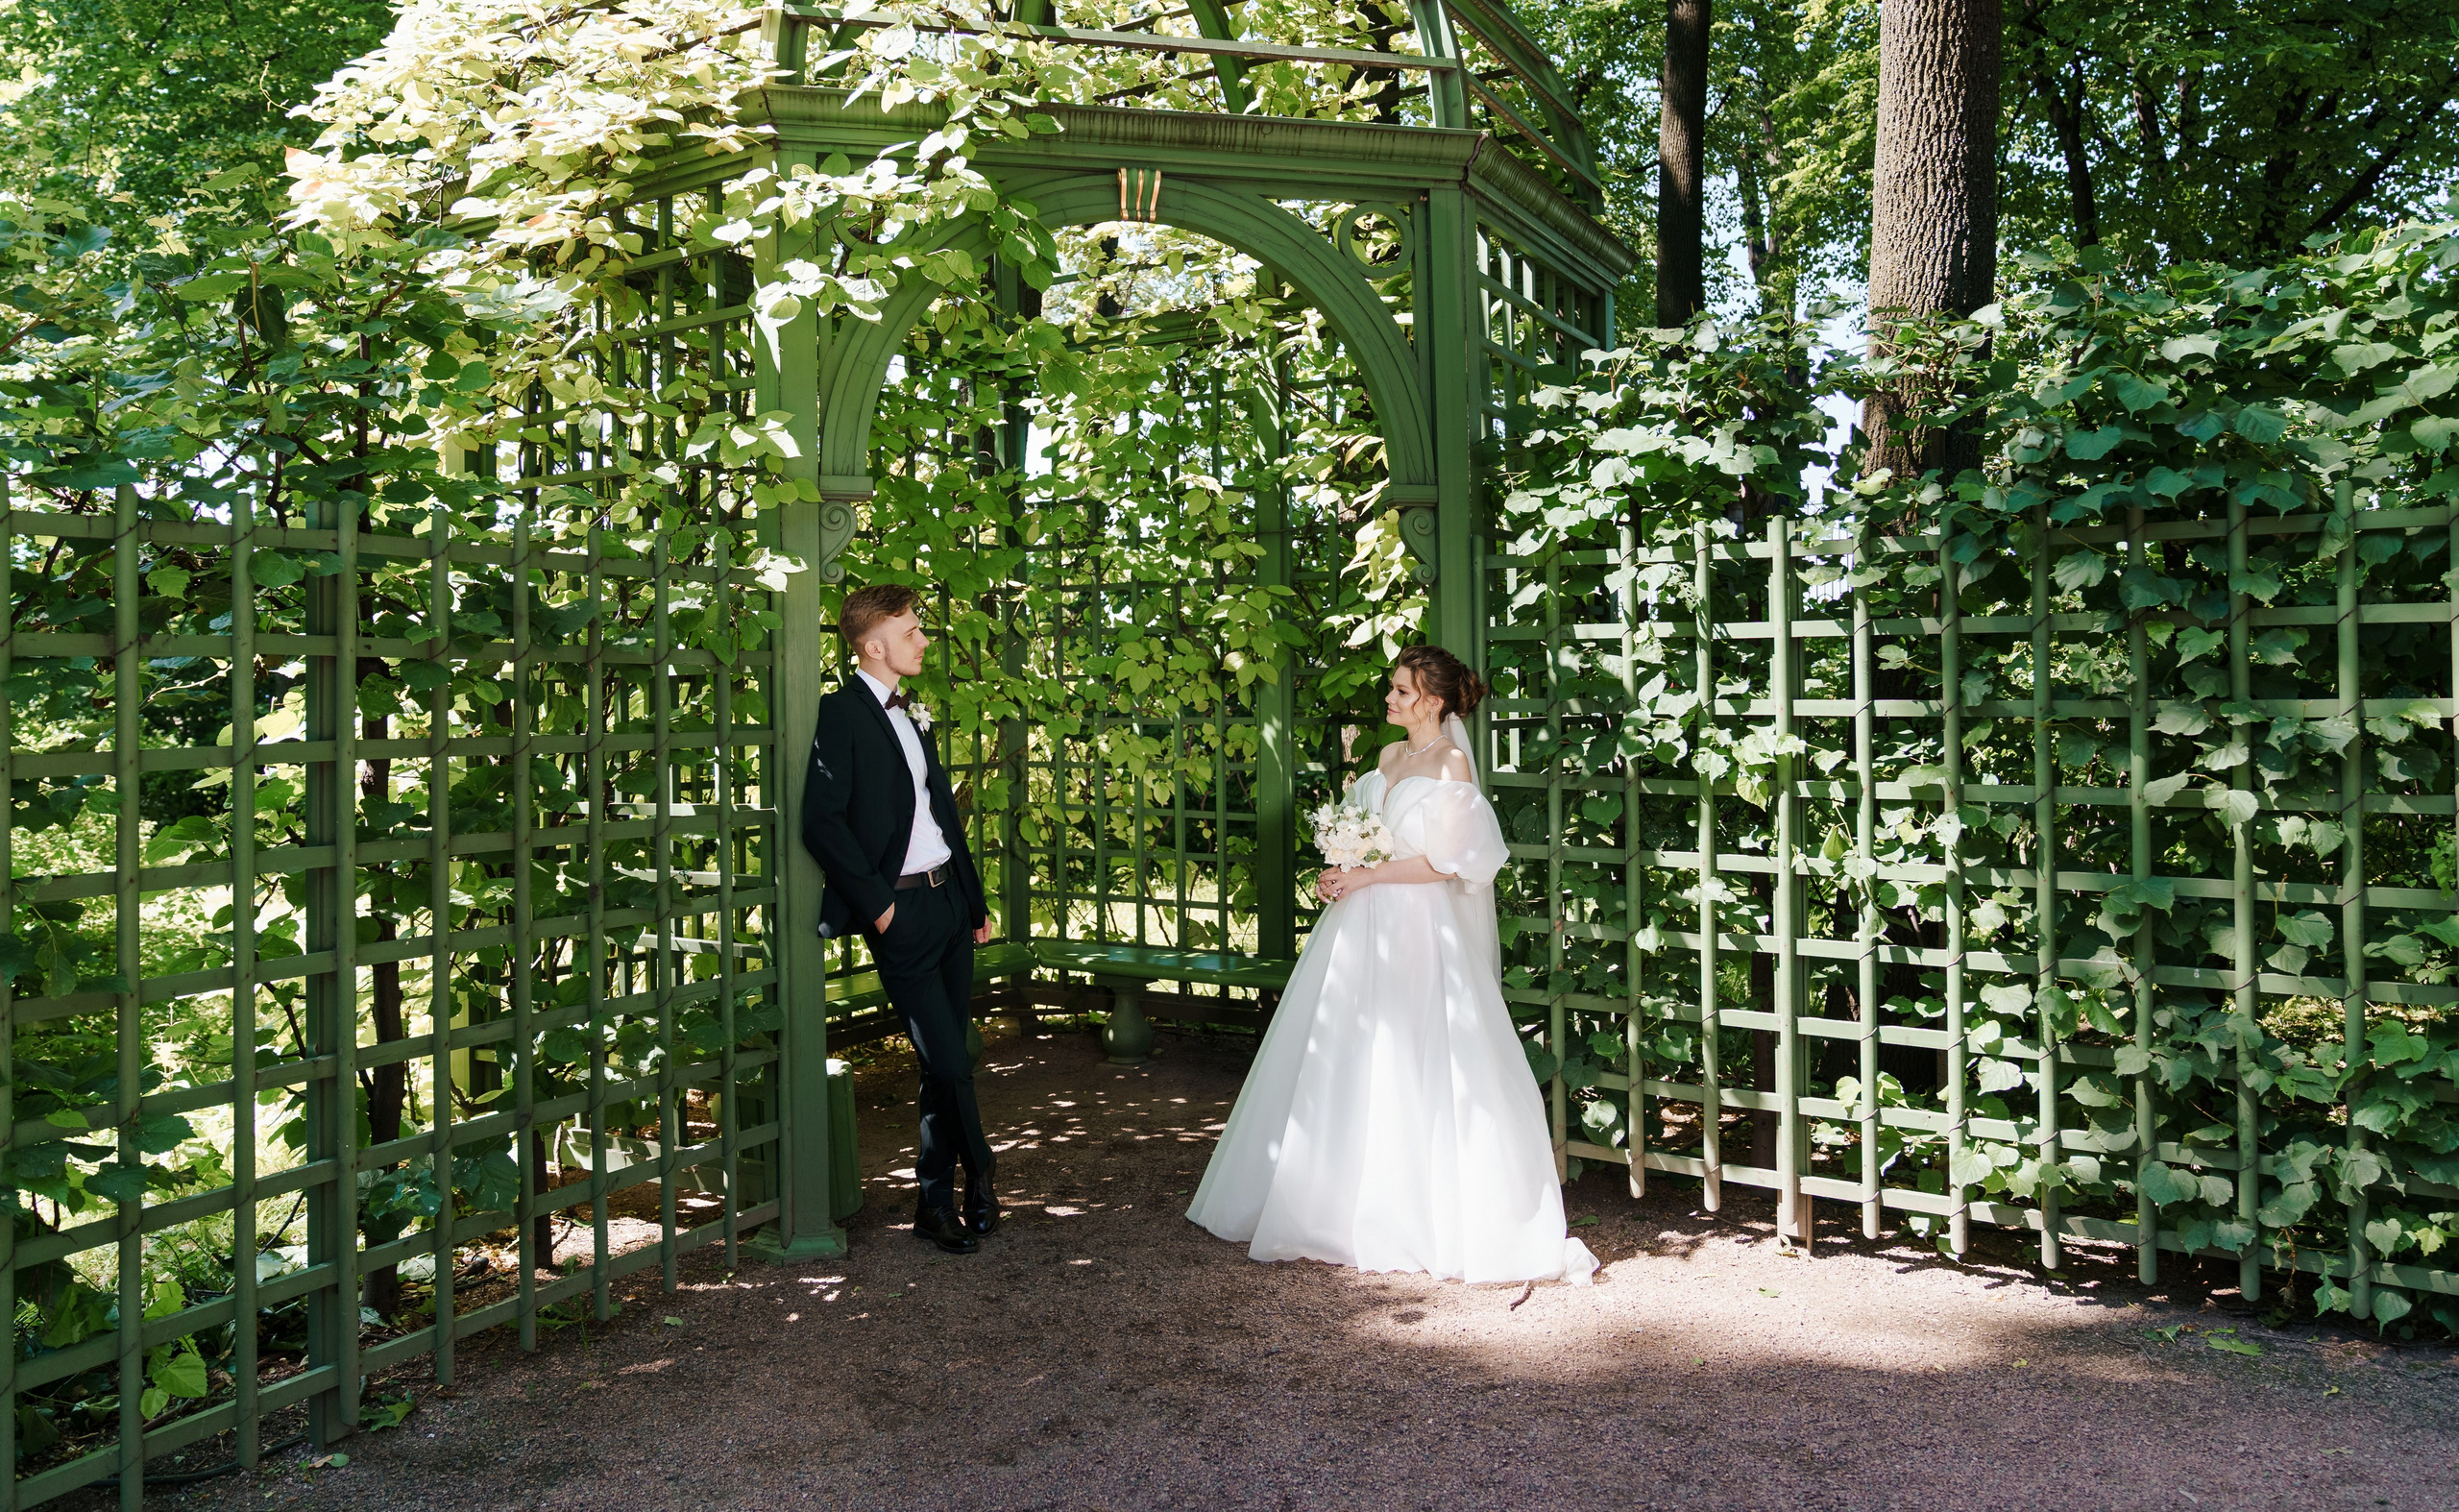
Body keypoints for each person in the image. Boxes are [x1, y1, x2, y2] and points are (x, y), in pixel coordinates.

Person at [1186, 644, 1597, 1285]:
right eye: (1393, 690)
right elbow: (1369, 830)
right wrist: (1341, 872)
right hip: (1361, 925)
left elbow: (1446, 863)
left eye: (1400, 692)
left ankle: (1416, 1215)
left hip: (1419, 926)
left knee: (1418, 1052)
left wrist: (1369, 872)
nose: (1389, 700)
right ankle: (1333, 1206)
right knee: (1347, 1051)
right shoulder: (1385, 758)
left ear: (1431, 701)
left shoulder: (1451, 766)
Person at [801, 584, 998, 1256]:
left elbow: (942, 815)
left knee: (945, 1066)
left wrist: (972, 904)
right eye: (911, 631)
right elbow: (822, 821)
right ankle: (985, 1176)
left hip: (947, 903)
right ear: (873, 644)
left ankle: (935, 1203)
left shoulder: (914, 713)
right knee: (949, 1059)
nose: (923, 639)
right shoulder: (840, 714)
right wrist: (880, 908)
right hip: (902, 912)